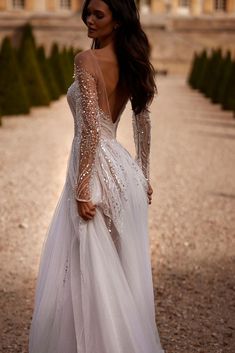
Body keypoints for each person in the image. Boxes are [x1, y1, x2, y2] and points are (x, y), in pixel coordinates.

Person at [28, 0, 164, 352]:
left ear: (117, 21)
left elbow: (90, 127)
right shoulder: (133, 60)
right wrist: (142, 173)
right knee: (114, 271)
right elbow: (142, 120)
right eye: (87, 13)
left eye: (97, 15)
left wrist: (82, 186)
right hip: (124, 171)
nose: (89, 19)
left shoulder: (85, 60)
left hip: (97, 170)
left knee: (86, 269)